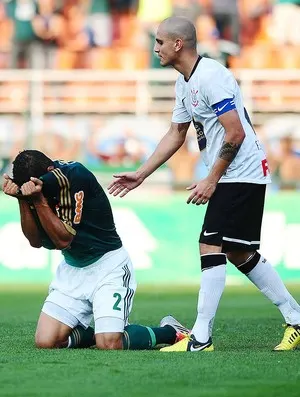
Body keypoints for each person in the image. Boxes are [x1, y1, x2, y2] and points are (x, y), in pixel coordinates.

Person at [108, 16, 300, 352]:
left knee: (209, 245)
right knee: (239, 251)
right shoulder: (184, 81)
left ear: (178, 44)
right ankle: (295, 318)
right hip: (232, 172)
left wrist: (211, 179)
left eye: (160, 43)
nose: (155, 49)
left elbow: (235, 132)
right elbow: (176, 133)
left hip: (241, 171)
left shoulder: (212, 76)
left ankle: (200, 337)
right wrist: (142, 173)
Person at [2, 149, 189, 350]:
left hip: (108, 267)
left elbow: (64, 240)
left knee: (110, 344)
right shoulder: (33, 185)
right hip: (73, 270)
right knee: (46, 341)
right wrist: (23, 199)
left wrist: (38, 199)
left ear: (49, 170)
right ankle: (99, 333)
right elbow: (35, 242)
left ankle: (170, 331)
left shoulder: (75, 176)